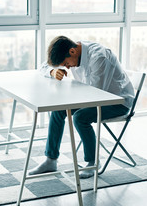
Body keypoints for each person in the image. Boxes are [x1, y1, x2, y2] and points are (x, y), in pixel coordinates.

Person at [29, 35, 135, 179]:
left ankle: (93, 163)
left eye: (66, 64)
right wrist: (52, 71)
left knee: (80, 117)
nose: (66, 67)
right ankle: (51, 160)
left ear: (72, 52)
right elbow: (44, 66)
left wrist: (68, 96)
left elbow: (95, 95)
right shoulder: (71, 50)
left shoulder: (99, 58)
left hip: (117, 101)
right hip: (91, 96)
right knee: (57, 110)